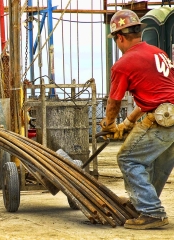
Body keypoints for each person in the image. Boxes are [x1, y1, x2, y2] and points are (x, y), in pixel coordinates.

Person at [100, 9, 174, 229]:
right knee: (157, 163)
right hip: (169, 116)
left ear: (119, 37)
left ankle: (151, 211)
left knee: (129, 159)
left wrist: (109, 124)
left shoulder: (124, 63)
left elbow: (114, 101)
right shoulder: (158, 54)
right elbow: (156, 95)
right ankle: (144, 204)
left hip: (162, 120)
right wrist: (129, 122)